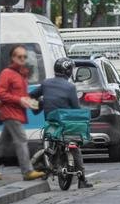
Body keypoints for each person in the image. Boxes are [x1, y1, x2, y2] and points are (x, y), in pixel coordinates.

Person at [0, 45, 44, 182]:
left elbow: (13, 94)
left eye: (24, 57)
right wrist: (19, 100)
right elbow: (0, 93)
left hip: (15, 112)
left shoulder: (21, 74)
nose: (22, 59)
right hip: (11, 113)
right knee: (21, 140)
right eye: (19, 56)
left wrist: (29, 102)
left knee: (1, 144)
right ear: (12, 58)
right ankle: (27, 171)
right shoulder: (7, 73)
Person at [33, 58, 92, 188]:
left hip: (51, 123)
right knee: (75, 149)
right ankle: (82, 179)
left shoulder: (46, 83)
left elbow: (31, 95)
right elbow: (76, 108)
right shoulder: (70, 87)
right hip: (67, 125)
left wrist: (38, 104)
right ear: (68, 71)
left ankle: (45, 169)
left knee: (46, 143)